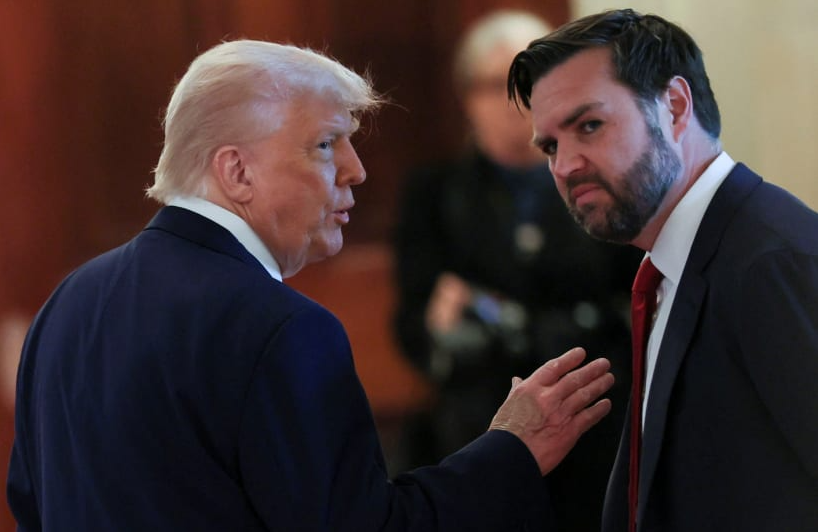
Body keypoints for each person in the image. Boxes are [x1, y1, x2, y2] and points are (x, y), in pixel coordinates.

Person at [6, 39, 617, 532]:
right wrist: (512, 449)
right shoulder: (281, 327)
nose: (356, 170)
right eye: (325, 144)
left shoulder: (68, 302)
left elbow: (32, 504)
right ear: (236, 171)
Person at [508, 8, 818, 532]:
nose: (564, 166)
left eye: (589, 126)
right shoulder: (678, 265)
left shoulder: (771, 262)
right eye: (551, 146)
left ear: (674, 106)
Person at [393, 11, 641, 531]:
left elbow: (636, 295)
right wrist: (442, 325)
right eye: (497, 85)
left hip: (598, 418)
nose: (517, 102)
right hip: (481, 424)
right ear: (467, 96)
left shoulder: (605, 182)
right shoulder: (434, 192)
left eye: (533, 84)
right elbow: (412, 318)